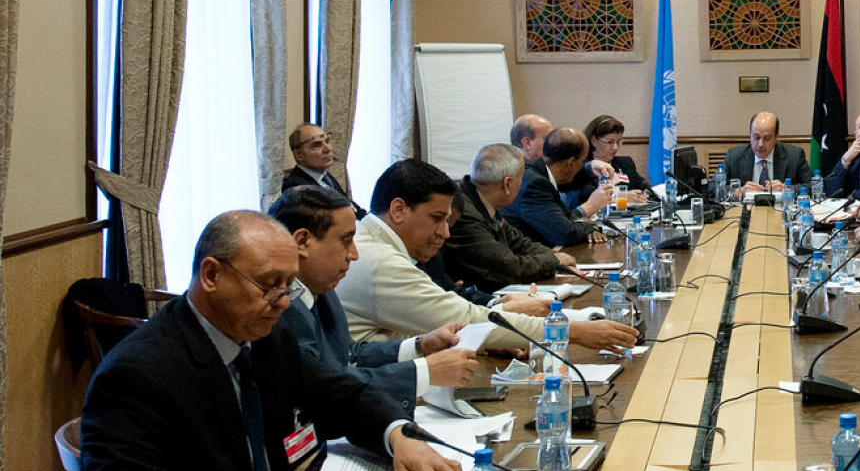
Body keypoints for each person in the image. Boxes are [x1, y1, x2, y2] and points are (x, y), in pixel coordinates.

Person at [81, 211, 458, 471]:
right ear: (211, 274)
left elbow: (341, 395)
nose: (281, 302)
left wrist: (399, 436)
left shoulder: (266, 339)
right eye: (269, 284)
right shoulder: (135, 378)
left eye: (288, 286)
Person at [339, 159, 638, 352]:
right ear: (399, 210)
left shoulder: (378, 245)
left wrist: (487, 340)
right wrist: (571, 331)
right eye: (436, 218)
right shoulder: (378, 260)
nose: (445, 233)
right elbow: (465, 318)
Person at [268, 186, 479, 413]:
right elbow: (321, 386)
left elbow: (349, 355)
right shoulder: (276, 308)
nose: (354, 254)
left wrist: (419, 345)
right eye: (346, 241)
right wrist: (423, 372)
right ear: (302, 241)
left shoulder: (322, 289)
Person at [424, 143, 576, 293]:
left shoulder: (482, 201)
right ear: (507, 184)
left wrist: (556, 256)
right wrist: (554, 261)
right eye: (521, 178)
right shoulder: (463, 213)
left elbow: (519, 244)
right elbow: (508, 269)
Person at [502, 128, 616, 246]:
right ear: (571, 163)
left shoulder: (540, 172)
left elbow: (566, 217)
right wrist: (591, 208)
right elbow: (565, 234)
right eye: (581, 162)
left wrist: (589, 167)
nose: (581, 166)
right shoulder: (534, 185)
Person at [282, 123, 366, 218]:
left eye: (327, 141)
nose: (328, 149)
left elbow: (351, 205)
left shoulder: (325, 176)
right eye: (316, 145)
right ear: (299, 155)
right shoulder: (297, 188)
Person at [565, 114, 652, 206]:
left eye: (618, 142)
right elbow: (584, 194)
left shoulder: (625, 163)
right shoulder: (581, 167)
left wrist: (642, 193)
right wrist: (620, 196)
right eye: (610, 142)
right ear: (594, 141)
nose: (615, 147)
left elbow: (643, 188)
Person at [723, 112, 812, 193]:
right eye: (756, 137)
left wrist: (787, 189)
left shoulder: (794, 156)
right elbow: (713, 187)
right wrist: (738, 191)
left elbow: (812, 185)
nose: (760, 144)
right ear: (750, 135)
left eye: (767, 138)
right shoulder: (734, 156)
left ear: (776, 137)